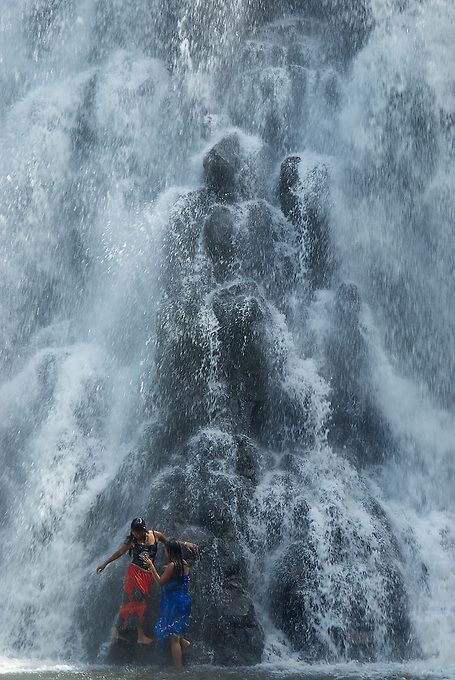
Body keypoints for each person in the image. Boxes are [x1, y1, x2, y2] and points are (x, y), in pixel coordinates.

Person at [96, 518, 196, 645]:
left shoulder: (156, 535)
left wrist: (185, 543)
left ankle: (118, 631)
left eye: (139, 532)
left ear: (144, 530)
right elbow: (120, 552)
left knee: (138, 602)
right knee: (137, 600)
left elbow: (169, 542)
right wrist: (105, 563)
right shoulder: (131, 541)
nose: (136, 535)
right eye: (134, 532)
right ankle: (139, 635)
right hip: (135, 573)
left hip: (148, 575)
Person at [142, 540, 192, 667]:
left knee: (173, 638)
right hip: (184, 601)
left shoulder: (171, 566)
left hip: (173, 603)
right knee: (177, 629)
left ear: (170, 551)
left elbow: (160, 582)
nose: (164, 553)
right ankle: (184, 644)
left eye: (165, 550)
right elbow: (176, 575)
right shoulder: (184, 564)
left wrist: (151, 566)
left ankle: (178, 669)